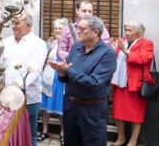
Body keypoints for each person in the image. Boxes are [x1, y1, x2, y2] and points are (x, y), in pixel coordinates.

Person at [48, 16, 116, 146]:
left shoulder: (107, 54)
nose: (77, 31)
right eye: (77, 27)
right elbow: (67, 78)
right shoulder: (76, 47)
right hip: (71, 105)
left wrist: (67, 71)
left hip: (92, 109)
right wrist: (61, 73)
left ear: (95, 32)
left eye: (82, 28)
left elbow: (94, 82)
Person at [1, 10, 47, 146]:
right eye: (12, 22)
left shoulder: (38, 44)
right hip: (5, 97)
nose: (14, 25)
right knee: (8, 134)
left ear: (28, 25)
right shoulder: (6, 42)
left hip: (29, 98)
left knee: (30, 136)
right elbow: (0, 66)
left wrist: (16, 85)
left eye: (17, 22)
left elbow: (34, 71)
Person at [110, 20, 155, 146]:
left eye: (130, 30)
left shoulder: (147, 43)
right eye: (126, 30)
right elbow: (117, 60)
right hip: (120, 83)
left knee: (136, 115)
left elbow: (144, 59)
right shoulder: (122, 42)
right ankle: (121, 138)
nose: (126, 33)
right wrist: (114, 49)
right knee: (118, 113)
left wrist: (126, 51)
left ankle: (133, 141)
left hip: (136, 84)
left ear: (139, 33)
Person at [39, 18, 68, 144]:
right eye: (55, 28)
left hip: (61, 80)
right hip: (48, 78)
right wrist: (49, 49)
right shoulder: (50, 43)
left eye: (60, 28)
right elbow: (42, 61)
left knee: (62, 107)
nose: (57, 30)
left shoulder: (68, 44)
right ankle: (45, 130)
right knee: (45, 107)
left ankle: (63, 133)